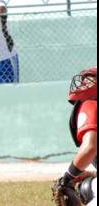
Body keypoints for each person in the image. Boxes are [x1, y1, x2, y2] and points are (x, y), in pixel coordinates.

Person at [52, 67, 97, 206]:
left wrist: (68, 177)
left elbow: (90, 146)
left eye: (91, 80)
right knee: (89, 184)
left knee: (88, 188)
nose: (84, 83)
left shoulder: (91, 104)